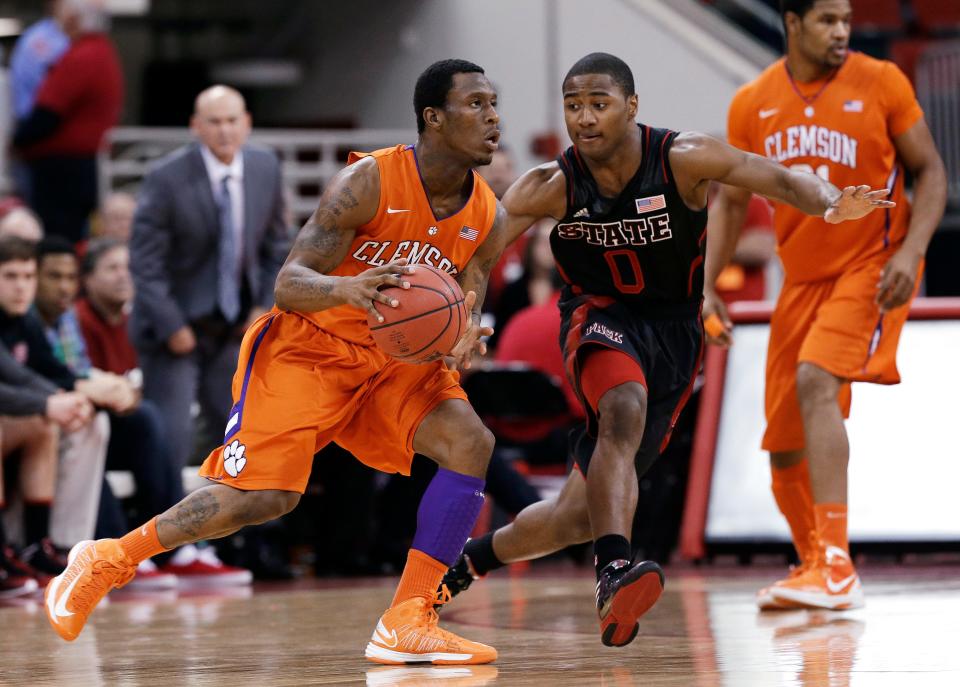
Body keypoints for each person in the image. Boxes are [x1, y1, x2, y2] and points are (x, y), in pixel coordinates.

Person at [45, 59, 508, 666]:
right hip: (309, 349)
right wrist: (348, 289)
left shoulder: (488, 216)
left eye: (493, 104)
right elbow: (289, 282)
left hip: (392, 362)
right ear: (434, 118)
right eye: (475, 104)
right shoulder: (368, 182)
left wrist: (465, 338)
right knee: (262, 500)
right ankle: (109, 558)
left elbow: (465, 303)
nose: (493, 116)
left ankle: (408, 618)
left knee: (471, 442)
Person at [438, 52, 892, 648]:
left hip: (676, 334)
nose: (584, 119)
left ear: (631, 106)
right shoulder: (552, 184)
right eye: (573, 106)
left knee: (574, 517)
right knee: (622, 405)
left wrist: (831, 200)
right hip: (598, 317)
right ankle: (614, 571)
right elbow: (482, 253)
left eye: (598, 104)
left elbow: (775, 176)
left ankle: (469, 562)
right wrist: (463, 316)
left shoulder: (684, 158)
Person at [703, 0, 947, 611]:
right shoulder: (751, 101)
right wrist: (707, 286)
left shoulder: (882, 81)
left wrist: (910, 252)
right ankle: (817, 562)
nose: (842, 32)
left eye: (846, 20)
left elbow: (932, 172)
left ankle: (836, 564)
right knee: (782, 443)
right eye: (827, 21)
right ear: (793, 22)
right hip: (801, 279)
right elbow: (732, 202)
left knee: (816, 380)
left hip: (871, 265)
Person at [36, 237, 251, 586]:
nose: (123, 276)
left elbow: (84, 374)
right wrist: (103, 389)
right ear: (89, 281)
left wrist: (117, 390)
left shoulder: (119, 321)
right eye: (112, 268)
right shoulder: (77, 316)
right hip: (69, 420)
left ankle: (174, 549)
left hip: (96, 417)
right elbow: (68, 378)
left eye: (127, 268)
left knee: (147, 420)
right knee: (95, 430)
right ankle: (119, 554)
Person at [130, 85, 290, 473]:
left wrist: (261, 306)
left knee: (242, 431)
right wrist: (172, 325)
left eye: (232, 121)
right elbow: (145, 262)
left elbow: (279, 246)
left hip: (233, 326)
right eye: (214, 122)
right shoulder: (165, 177)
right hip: (175, 329)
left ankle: (242, 532)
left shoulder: (264, 167)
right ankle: (161, 531)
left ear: (247, 123)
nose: (224, 131)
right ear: (195, 126)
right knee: (172, 434)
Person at [12, 0, 123, 244]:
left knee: (56, 238)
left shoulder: (82, 56)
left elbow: (47, 114)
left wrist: (16, 142)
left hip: (63, 168)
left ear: (75, 19)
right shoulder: (100, 51)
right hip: (75, 165)